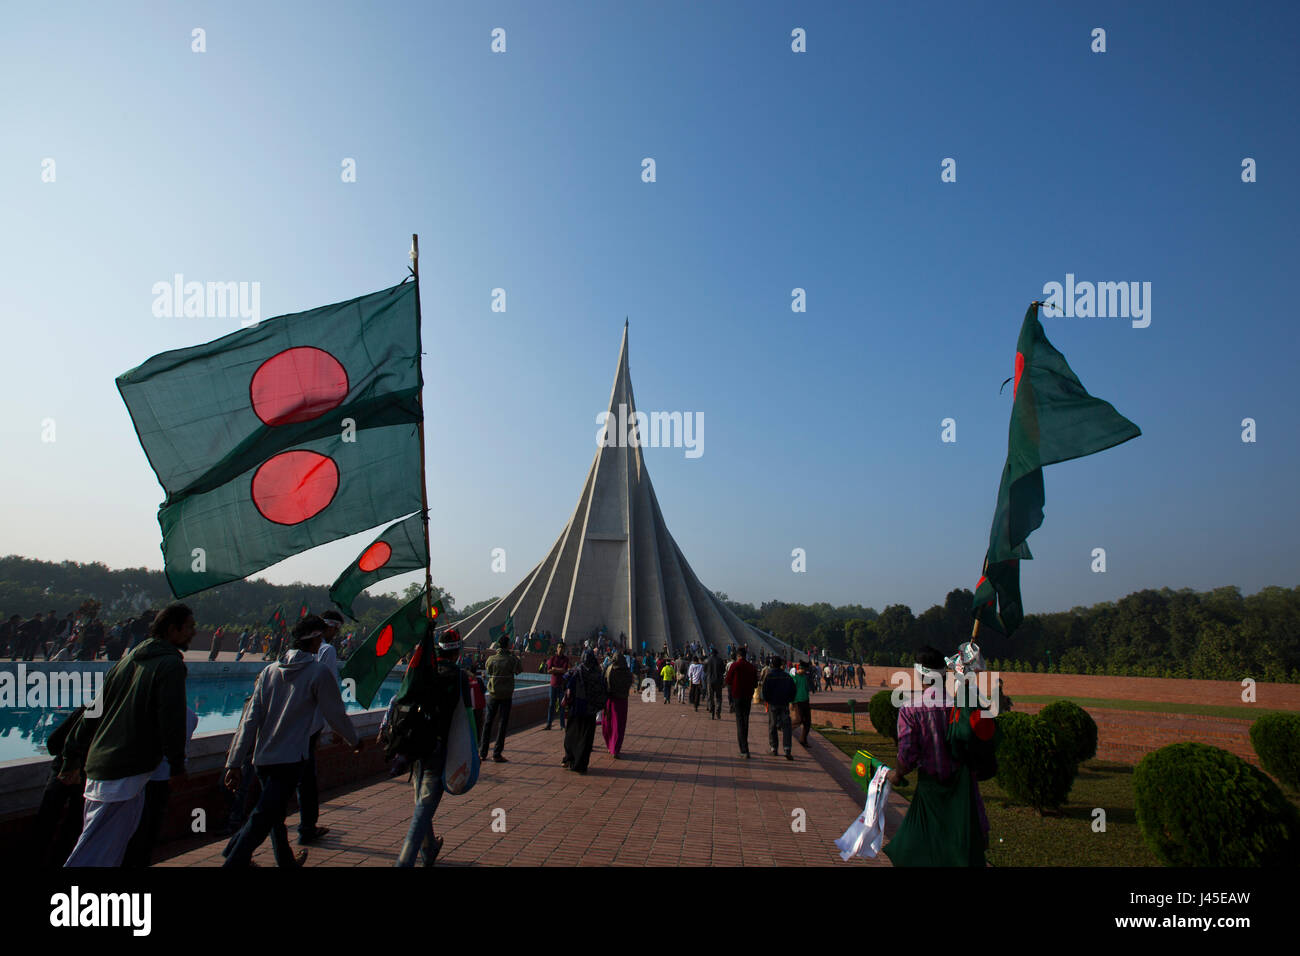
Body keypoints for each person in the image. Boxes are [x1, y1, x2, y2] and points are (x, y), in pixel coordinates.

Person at [60, 603, 193, 867]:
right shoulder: (170, 665)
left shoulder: (126, 661)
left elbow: (93, 711)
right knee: (96, 854)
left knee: (97, 845)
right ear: (172, 629)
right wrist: (177, 764)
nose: (193, 632)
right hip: (128, 771)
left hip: (99, 767)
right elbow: (172, 718)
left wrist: (71, 756)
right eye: (189, 627)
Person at [222, 616, 361, 867]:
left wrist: (234, 761)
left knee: (271, 813)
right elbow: (335, 713)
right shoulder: (317, 672)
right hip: (291, 759)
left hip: (263, 757)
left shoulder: (270, 671)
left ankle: (285, 861)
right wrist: (354, 740)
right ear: (317, 639)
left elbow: (250, 721)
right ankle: (233, 860)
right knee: (264, 815)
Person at [883, 647, 989, 867]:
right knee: (960, 853)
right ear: (945, 674)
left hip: (931, 792)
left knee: (923, 854)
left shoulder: (911, 709)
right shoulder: (962, 707)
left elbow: (907, 755)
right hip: (963, 793)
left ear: (920, 675)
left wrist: (896, 774)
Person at [394, 627, 473, 867]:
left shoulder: (422, 672)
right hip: (437, 745)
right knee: (424, 807)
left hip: (415, 743)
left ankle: (429, 850)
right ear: (456, 653)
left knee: (421, 799)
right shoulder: (459, 677)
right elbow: (468, 716)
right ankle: (404, 862)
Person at [122, 706, 198, 867]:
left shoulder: (150, 712)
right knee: (149, 829)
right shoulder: (190, 716)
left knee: (135, 830)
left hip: (144, 779)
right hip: (165, 778)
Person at [296, 611, 343, 846]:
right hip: (310, 723)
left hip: (292, 723)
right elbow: (330, 689)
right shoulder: (327, 651)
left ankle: (305, 826)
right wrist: (337, 726)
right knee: (305, 778)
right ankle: (307, 826)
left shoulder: (292, 655)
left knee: (295, 777)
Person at [562, 650, 606, 773]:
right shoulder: (597, 673)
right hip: (590, 710)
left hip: (576, 709)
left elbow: (565, 681)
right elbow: (602, 691)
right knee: (586, 739)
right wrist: (600, 706)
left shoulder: (576, 670)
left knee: (572, 734)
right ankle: (581, 764)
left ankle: (569, 758)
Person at [480, 635, 523, 762]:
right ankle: (497, 753)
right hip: (506, 695)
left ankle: (483, 752)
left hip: (493, 694)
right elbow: (519, 670)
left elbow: (488, 670)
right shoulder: (511, 659)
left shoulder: (491, 659)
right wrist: (516, 657)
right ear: (507, 645)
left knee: (488, 723)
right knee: (502, 724)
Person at [724, 648, 758, 758]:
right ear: (745, 655)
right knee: (745, 720)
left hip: (737, 696)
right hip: (748, 696)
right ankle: (745, 747)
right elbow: (755, 684)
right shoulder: (751, 667)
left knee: (739, 722)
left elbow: (728, 680)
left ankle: (744, 749)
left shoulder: (735, 665)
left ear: (738, 656)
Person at [602, 650, 633, 757]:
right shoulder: (627, 672)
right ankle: (615, 747)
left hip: (611, 700)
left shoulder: (609, 669)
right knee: (618, 726)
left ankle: (611, 746)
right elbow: (630, 683)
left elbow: (604, 683)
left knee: (609, 724)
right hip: (621, 700)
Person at [763, 659, 796, 760]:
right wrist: (789, 700)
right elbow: (793, 690)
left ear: (772, 665)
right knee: (786, 726)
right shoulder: (787, 676)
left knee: (772, 725)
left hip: (773, 703)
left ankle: (774, 748)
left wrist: (768, 700)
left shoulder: (769, 676)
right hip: (784, 704)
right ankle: (787, 749)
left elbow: (765, 691)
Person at [544, 642, 571, 731]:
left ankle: (562, 725)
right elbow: (548, 670)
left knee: (562, 705)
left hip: (561, 685)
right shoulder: (552, 658)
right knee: (551, 704)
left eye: (562, 647)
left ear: (564, 649)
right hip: (553, 685)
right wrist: (559, 670)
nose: (560, 649)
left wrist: (554, 669)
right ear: (557, 648)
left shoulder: (566, 659)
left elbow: (565, 670)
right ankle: (549, 724)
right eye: (559, 647)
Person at [703, 648, 725, 720]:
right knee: (718, 697)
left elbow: (704, 670)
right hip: (718, 681)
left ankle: (711, 709)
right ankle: (718, 711)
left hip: (709, 681)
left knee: (710, 696)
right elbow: (723, 670)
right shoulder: (720, 660)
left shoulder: (706, 660)